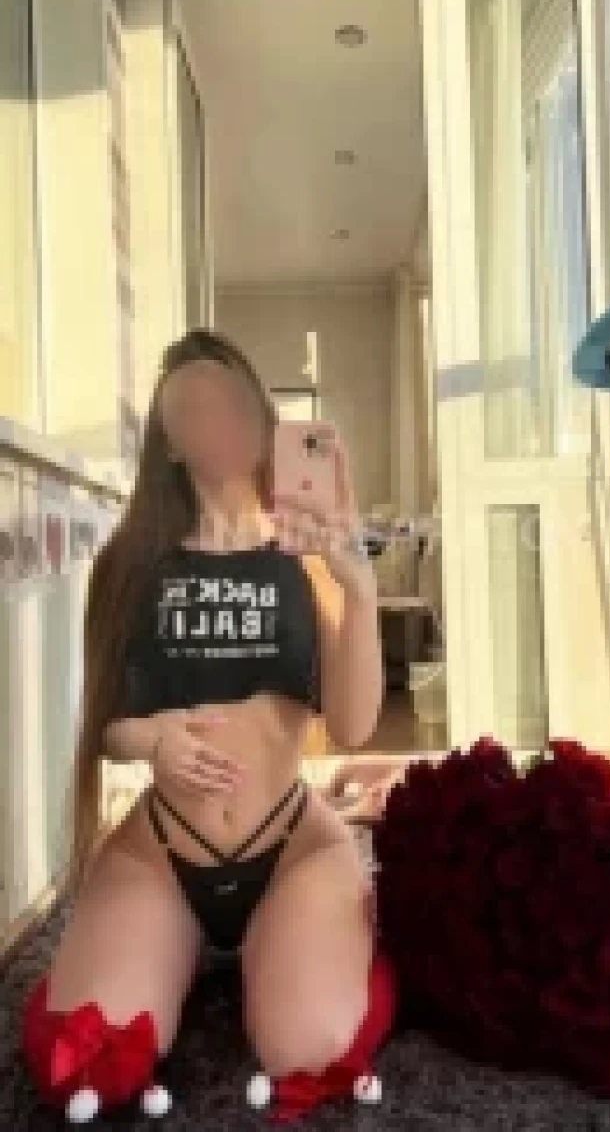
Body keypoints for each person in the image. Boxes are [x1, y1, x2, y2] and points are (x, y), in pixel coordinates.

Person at [20, 328, 396, 1124]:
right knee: (90, 1061)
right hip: (163, 852)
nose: (215, 422)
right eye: (189, 410)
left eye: (229, 403)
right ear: (168, 443)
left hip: (290, 846)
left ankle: (276, 943)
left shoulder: (305, 553)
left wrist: (358, 587)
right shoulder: (131, 563)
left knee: (311, 1050)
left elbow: (356, 723)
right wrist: (151, 740)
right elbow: (109, 727)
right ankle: (179, 947)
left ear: (263, 419)